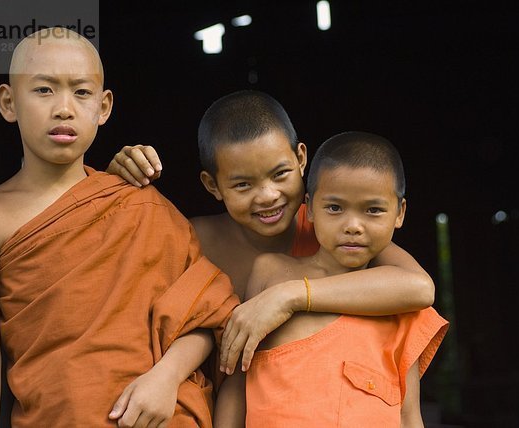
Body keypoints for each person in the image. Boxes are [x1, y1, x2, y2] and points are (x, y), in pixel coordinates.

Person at [0, 28, 239, 428]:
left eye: (81, 92)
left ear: (104, 107)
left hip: (154, 415)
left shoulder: (137, 203)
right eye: (43, 90)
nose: (64, 109)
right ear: (8, 102)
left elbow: (205, 319)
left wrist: (167, 377)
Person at [106, 90, 436, 375]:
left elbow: (418, 288)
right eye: (243, 184)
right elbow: (116, 265)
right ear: (212, 185)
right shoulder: (193, 237)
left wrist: (288, 296)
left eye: (280, 174)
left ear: (301, 158)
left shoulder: (330, 227)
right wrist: (113, 186)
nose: (267, 195)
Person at [215, 131, 449, 427]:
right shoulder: (271, 273)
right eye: (335, 208)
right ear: (310, 208)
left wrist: (295, 297)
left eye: (373, 210)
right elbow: (236, 384)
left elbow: (408, 415)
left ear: (399, 214)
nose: (353, 226)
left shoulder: (403, 310)